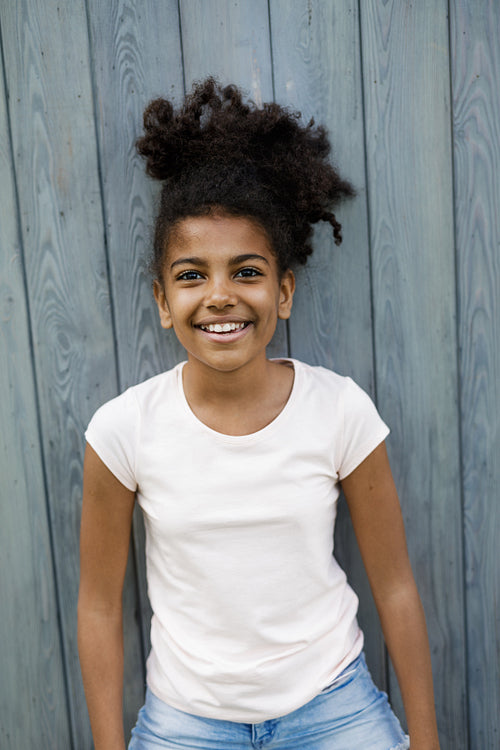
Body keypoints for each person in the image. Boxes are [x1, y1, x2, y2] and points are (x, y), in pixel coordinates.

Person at [78, 78, 440, 750]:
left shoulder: (339, 411)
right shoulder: (123, 429)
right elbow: (99, 608)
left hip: (332, 706)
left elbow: (395, 587)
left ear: (284, 291)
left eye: (246, 272)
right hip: (187, 721)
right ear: (162, 301)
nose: (219, 296)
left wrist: (426, 739)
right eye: (191, 276)